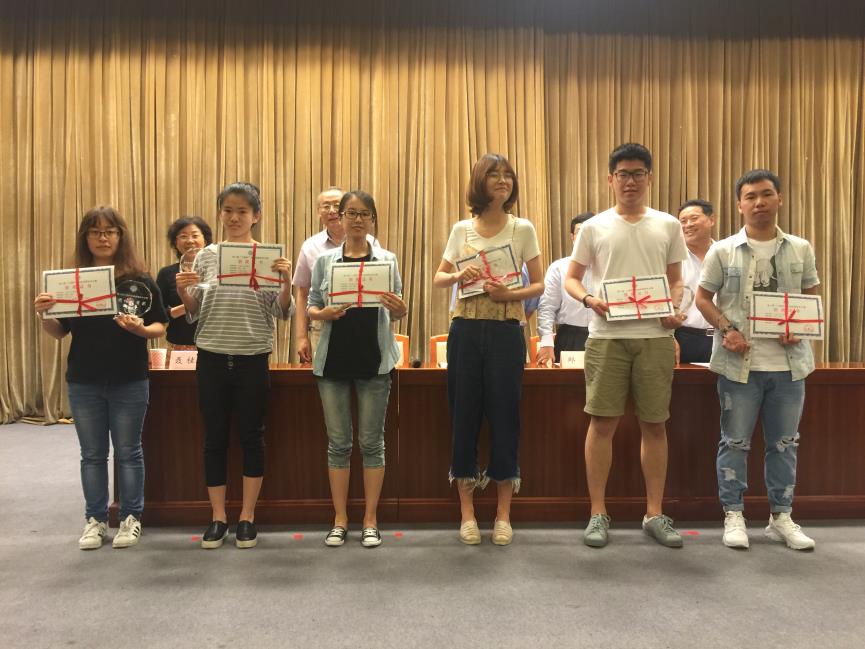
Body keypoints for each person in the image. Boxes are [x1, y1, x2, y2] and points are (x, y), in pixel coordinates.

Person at [564, 142, 688, 548]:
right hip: (607, 337)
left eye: (637, 173)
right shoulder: (595, 227)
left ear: (649, 177)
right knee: (601, 424)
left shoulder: (667, 224)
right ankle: (597, 513)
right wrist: (589, 299)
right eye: (623, 174)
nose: (630, 181)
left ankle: (654, 513)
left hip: (655, 337)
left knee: (655, 424)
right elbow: (572, 278)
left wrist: (674, 308)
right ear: (610, 179)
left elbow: (676, 280)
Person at [696, 169, 820, 550]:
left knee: (785, 444)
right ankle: (733, 514)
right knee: (734, 442)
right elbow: (702, 298)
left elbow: (812, 296)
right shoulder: (722, 251)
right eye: (750, 197)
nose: (759, 202)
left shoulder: (800, 248)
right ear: (739, 205)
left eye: (766, 194)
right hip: (739, 367)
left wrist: (801, 327)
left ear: (779, 199)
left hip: (789, 366)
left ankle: (781, 516)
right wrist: (726, 329)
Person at [34, 206, 168, 550]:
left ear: (121, 236)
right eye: (95, 232)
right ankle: (95, 519)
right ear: (85, 238)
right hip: (84, 380)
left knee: (128, 452)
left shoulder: (139, 280)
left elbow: (160, 326)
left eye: (110, 231)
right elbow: (58, 332)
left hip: (129, 379)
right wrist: (44, 314)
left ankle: (131, 517)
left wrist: (140, 329)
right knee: (92, 455)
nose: (103, 238)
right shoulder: (71, 282)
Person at [434, 153, 543, 546]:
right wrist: (458, 274)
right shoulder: (462, 228)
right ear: (480, 181)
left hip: (506, 331)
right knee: (463, 416)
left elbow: (539, 285)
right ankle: (466, 513)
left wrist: (508, 294)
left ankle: (502, 514)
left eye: (507, 175)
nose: (502, 180)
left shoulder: (522, 228)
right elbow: (438, 277)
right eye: (494, 174)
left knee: (505, 417)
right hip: (464, 329)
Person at [177, 182, 294, 549]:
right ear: (220, 213)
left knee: (252, 437)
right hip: (211, 356)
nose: (234, 217)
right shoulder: (205, 256)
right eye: (228, 210)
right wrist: (183, 293)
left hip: (253, 357)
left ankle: (247, 516)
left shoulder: (269, 257)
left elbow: (282, 311)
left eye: (243, 211)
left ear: (256, 216)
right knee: (214, 438)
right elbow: (194, 311)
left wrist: (287, 282)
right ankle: (217, 517)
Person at [308, 190, 407, 548]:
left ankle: (370, 519)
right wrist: (323, 313)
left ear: (373, 219)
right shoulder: (325, 261)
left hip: (374, 361)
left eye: (364, 213)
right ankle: (339, 519)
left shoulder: (387, 260)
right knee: (338, 444)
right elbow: (311, 306)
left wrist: (399, 308)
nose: (357, 219)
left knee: (372, 443)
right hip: (333, 361)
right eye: (351, 213)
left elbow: (398, 310)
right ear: (340, 217)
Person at [292, 187, 379, 364]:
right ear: (318, 212)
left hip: (365, 327)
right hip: (323, 327)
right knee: (327, 377)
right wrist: (301, 337)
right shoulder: (310, 247)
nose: (331, 211)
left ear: (345, 211)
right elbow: (302, 294)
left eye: (336, 206)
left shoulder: (372, 243)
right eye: (326, 206)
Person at [536, 212, 594, 366]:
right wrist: (546, 342)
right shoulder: (558, 267)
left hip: (603, 335)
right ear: (572, 237)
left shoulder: (609, 267)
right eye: (580, 232)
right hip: (570, 336)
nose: (584, 237)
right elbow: (547, 307)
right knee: (568, 381)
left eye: (590, 233)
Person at [155, 216, 213, 349]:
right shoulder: (166, 273)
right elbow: (158, 313)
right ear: (175, 243)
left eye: (195, 235)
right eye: (183, 236)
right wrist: (186, 308)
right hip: (178, 345)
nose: (190, 241)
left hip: (213, 345)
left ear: (205, 240)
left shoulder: (215, 271)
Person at [675, 200, 716, 363]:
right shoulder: (673, 260)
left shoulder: (726, 255)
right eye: (683, 221)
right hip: (684, 338)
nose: (688, 225)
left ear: (711, 220)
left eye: (693, 218)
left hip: (724, 338)